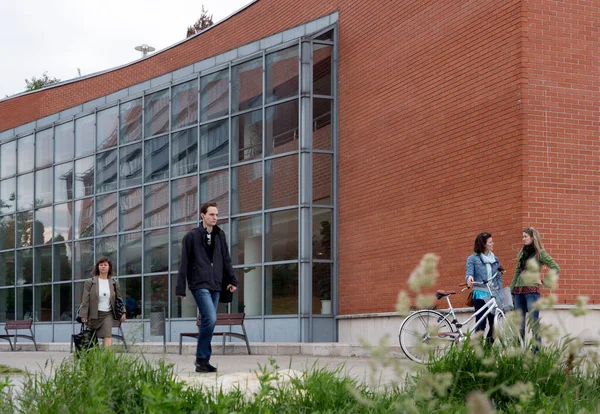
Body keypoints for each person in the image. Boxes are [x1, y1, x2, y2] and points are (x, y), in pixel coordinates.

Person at [176, 201, 238, 373]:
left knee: (208, 320)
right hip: (199, 283)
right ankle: (201, 358)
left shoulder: (220, 235)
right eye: (212, 214)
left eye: (217, 214)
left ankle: (203, 361)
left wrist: (232, 280)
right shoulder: (191, 236)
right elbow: (184, 263)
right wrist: (180, 288)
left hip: (216, 284)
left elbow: (226, 259)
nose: (215, 217)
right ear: (203, 215)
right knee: (210, 317)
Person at [510, 227, 559, 343]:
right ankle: (519, 354)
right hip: (518, 293)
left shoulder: (540, 253)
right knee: (519, 326)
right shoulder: (522, 252)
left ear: (533, 237)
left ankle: (536, 354)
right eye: (523, 236)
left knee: (534, 324)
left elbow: (556, 268)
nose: (523, 239)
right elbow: (517, 271)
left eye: (525, 236)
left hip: (532, 293)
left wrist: (544, 282)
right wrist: (512, 290)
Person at [465, 232, 504, 344]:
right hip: (480, 294)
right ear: (483, 244)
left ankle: (486, 349)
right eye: (490, 242)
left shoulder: (495, 259)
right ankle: (478, 352)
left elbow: (498, 278)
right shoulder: (472, 259)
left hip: (493, 295)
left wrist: (500, 293)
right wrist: (469, 278)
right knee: (481, 324)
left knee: (495, 325)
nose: (493, 244)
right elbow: (469, 273)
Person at [79, 257, 126, 347]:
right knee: (91, 338)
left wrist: (123, 311)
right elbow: (85, 299)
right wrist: (83, 314)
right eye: (101, 265)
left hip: (107, 314)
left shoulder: (114, 283)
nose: (103, 267)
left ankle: (107, 358)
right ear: (98, 267)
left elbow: (119, 299)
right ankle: (94, 357)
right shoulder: (90, 282)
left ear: (109, 267)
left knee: (108, 335)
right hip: (93, 315)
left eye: (105, 265)